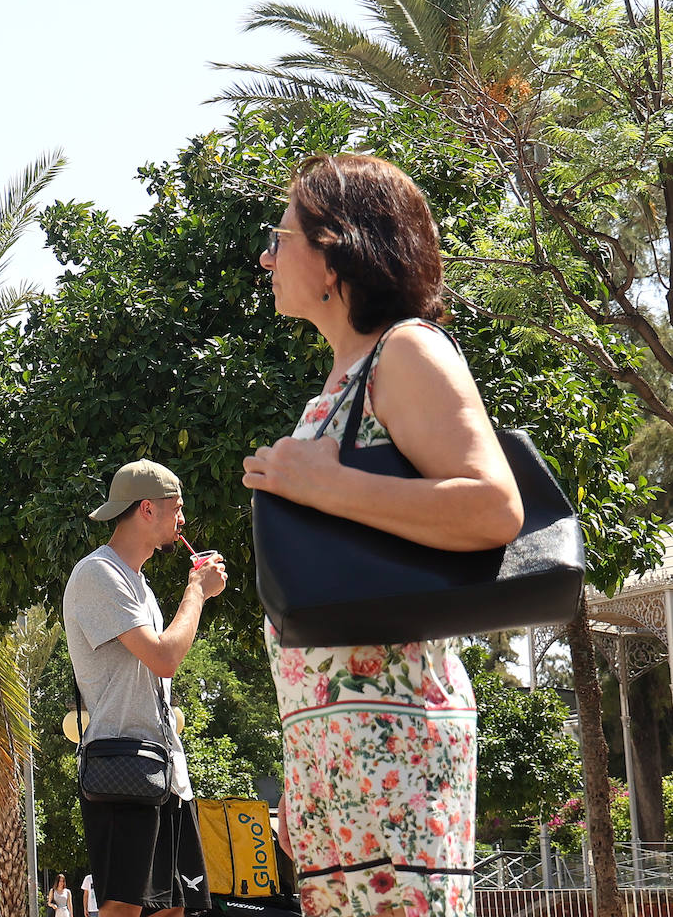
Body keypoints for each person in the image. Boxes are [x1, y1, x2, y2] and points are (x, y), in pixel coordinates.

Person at [241, 154, 524, 917]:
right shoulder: (336, 385)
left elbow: (493, 507)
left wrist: (326, 485)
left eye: (281, 236)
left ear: (335, 253)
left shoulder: (407, 351)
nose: (267, 256)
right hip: (336, 754)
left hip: (396, 745)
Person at [64, 459, 229, 917]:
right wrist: (196, 590)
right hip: (124, 765)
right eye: (176, 508)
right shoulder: (99, 574)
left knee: (173, 908)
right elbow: (164, 657)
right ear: (146, 510)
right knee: (123, 909)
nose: (183, 520)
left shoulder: (139, 583)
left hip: (165, 770)